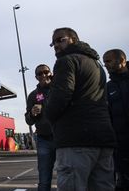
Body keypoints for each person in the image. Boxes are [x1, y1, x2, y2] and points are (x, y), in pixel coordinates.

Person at [44, 27, 116, 191]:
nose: (56, 45)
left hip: (75, 140)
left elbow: (60, 98)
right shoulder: (97, 65)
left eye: (60, 40)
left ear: (73, 40)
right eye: (53, 42)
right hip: (103, 139)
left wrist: (49, 115)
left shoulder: (66, 61)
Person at [25, 64, 56, 191]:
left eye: (45, 72)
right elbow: (28, 120)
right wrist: (32, 113)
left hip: (63, 137)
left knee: (68, 174)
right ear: (36, 77)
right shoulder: (34, 95)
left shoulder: (60, 89)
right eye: (39, 73)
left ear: (51, 73)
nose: (43, 75)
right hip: (44, 139)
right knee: (44, 178)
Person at [103, 49, 129, 191]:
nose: (105, 64)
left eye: (109, 60)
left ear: (122, 61)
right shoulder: (108, 87)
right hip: (120, 145)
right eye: (104, 61)